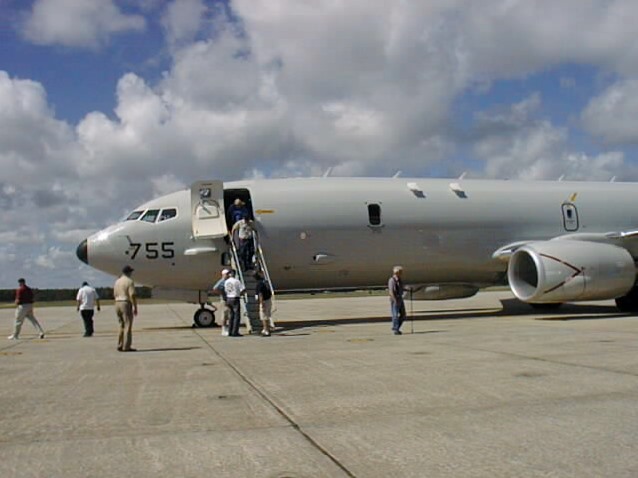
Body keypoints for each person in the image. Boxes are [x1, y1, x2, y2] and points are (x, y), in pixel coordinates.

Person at [113, 265, 138, 351]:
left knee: (121, 325)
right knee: (128, 325)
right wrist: (135, 307)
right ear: (129, 272)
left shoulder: (117, 281)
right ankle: (126, 346)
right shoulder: (129, 281)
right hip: (125, 302)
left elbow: (114, 294)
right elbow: (132, 295)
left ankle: (120, 344)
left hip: (117, 302)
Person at [224, 270, 245, 337]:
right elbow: (242, 289)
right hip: (235, 298)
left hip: (228, 298)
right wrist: (240, 294)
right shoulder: (236, 281)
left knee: (231, 315)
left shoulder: (226, 281)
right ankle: (235, 332)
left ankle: (230, 331)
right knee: (236, 316)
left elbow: (225, 290)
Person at [211, 269, 230, 336]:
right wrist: (221, 293)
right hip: (224, 300)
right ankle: (224, 329)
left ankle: (228, 328)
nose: (228, 275)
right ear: (223, 275)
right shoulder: (222, 281)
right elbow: (215, 288)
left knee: (229, 315)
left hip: (229, 299)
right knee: (224, 314)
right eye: (227, 274)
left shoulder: (229, 281)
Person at [388, 266, 406, 335]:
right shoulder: (392, 280)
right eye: (400, 272)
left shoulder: (400, 280)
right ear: (397, 272)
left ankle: (396, 327)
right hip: (395, 299)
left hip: (400, 298)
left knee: (403, 315)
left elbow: (401, 288)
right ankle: (396, 329)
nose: (401, 273)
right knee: (395, 315)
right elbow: (391, 291)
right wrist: (394, 300)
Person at [255, 272, 273, 336]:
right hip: (268, 300)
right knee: (267, 315)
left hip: (264, 301)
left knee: (263, 316)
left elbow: (260, 294)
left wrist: (261, 303)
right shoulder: (265, 282)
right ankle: (266, 329)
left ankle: (266, 330)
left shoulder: (259, 284)